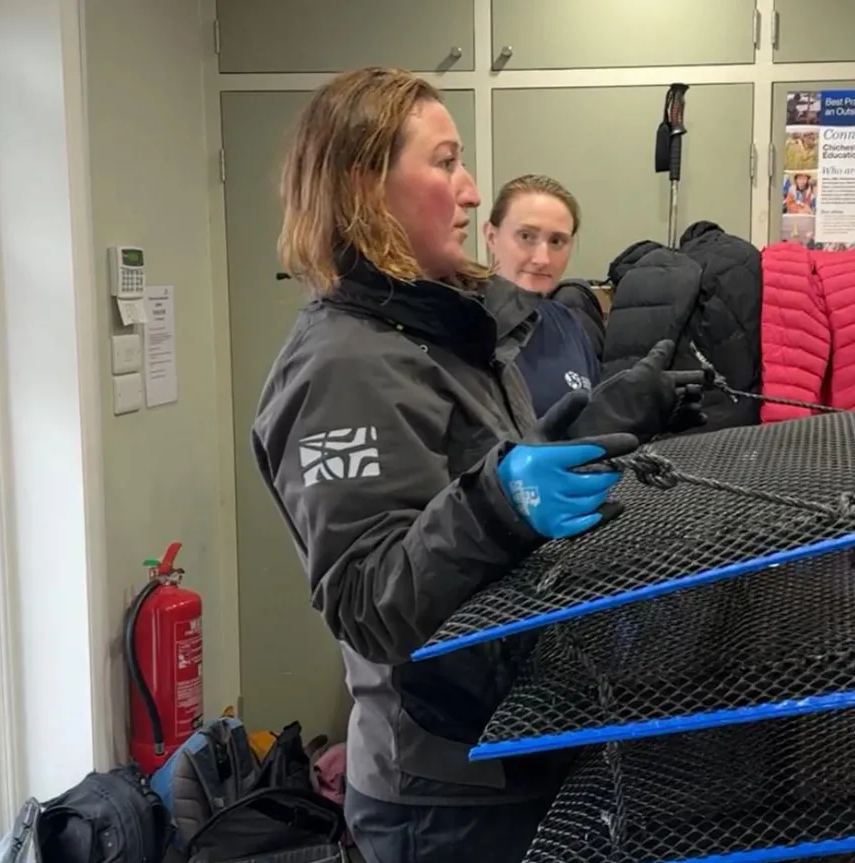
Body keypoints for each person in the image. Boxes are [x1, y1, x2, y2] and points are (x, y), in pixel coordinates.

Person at [250, 67, 704, 863]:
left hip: (510, 742)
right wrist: (499, 501)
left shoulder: (442, 331)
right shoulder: (343, 366)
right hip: (443, 791)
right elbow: (368, 601)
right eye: (445, 162)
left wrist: (606, 418)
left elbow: (475, 479)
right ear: (364, 185)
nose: (469, 191)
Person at [482, 173, 605, 415]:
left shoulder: (568, 323)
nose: (542, 259)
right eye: (526, 236)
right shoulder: (465, 325)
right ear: (491, 236)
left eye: (557, 241)